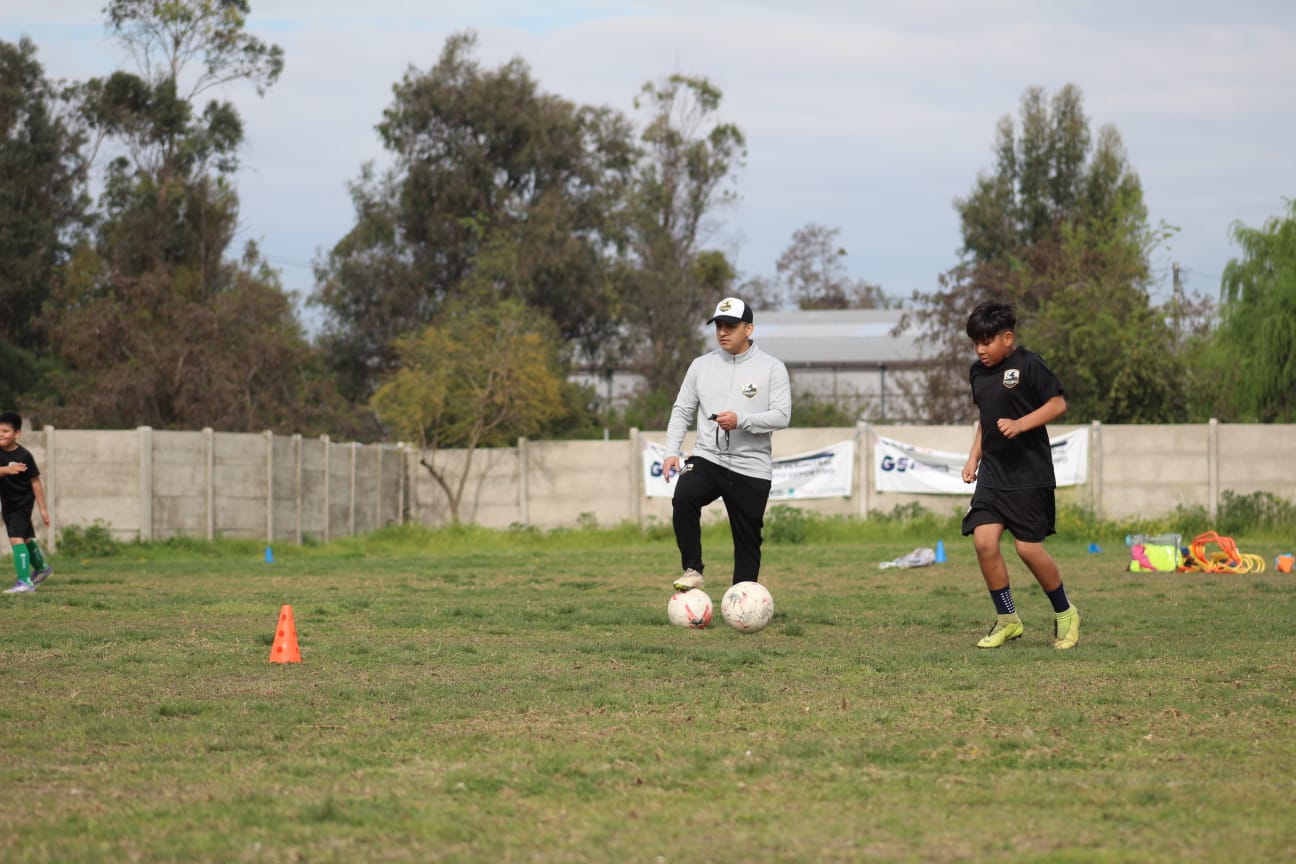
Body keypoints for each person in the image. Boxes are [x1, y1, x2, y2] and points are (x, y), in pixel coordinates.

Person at [961, 301, 1080, 649]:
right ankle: (1008, 619)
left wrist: (1021, 424)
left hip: (1029, 472)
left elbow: (1058, 404)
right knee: (984, 541)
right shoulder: (977, 373)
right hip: (994, 473)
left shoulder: (1029, 364)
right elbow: (986, 421)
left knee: (1028, 549)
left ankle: (1066, 613)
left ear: (1007, 338)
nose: (980, 350)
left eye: (987, 341)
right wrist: (973, 458)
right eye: (975, 343)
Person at [662, 297, 791, 592]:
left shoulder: (772, 368)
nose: (722, 332)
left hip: (752, 465)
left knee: (747, 541)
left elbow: (782, 416)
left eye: (730, 326)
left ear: (749, 328)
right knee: (684, 496)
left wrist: (742, 420)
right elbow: (682, 409)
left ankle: (742, 600)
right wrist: (671, 451)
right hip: (709, 458)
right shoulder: (700, 366)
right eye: (718, 325)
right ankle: (693, 569)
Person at [1, 412, 53, 594]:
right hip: (7, 503)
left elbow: (36, 482)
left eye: (5, 431)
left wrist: (43, 509)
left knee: (16, 539)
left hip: (22, 503)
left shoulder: (24, 456)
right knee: (25, 538)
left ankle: (25, 583)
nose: (0, 434)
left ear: (17, 434)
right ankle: (42, 568)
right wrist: (7, 470)